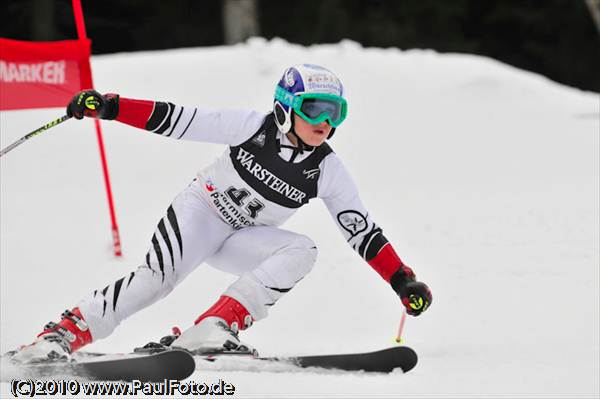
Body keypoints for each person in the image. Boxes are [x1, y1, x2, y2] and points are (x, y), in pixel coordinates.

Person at [12, 64, 432, 363]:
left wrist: (402, 279)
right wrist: (110, 107)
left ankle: (213, 326)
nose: (324, 122)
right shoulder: (252, 127)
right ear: (286, 106)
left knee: (301, 250)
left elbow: (362, 231)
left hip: (242, 238)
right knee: (157, 280)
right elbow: (178, 119)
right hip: (202, 212)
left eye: (334, 112)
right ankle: (59, 336)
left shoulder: (327, 170)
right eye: (314, 109)